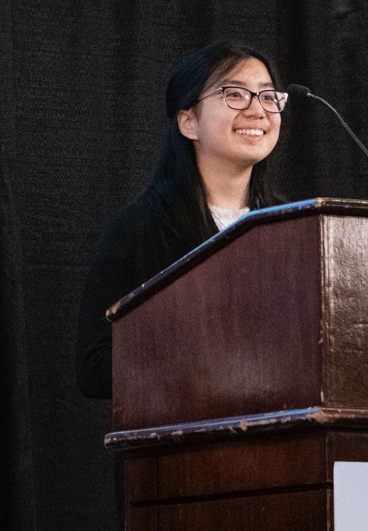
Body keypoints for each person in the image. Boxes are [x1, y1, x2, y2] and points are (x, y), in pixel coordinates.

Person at [76, 41, 286, 399]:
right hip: (178, 445)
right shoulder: (139, 228)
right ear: (189, 122)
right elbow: (94, 367)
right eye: (234, 94)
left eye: (268, 97)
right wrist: (202, 364)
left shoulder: (292, 226)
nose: (258, 111)